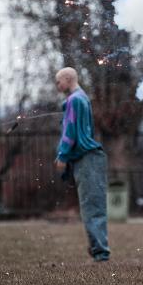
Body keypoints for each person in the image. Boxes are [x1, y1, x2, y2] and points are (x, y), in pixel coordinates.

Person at [53, 67, 111, 262]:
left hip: (87, 159)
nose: (57, 85)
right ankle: (97, 249)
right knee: (92, 206)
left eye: (58, 81)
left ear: (68, 79)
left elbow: (69, 131)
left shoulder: (75, 100)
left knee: (92, 208)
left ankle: (100, 253)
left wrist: (62, 155)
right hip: (88, 158)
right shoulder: (81, 98)